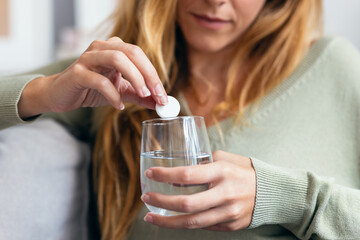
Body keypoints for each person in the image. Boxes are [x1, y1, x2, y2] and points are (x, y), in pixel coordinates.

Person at [1, 0, 360, 239]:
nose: (217, 1)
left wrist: (291, 199)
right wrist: (45, 93)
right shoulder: (116, 78)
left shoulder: (333, 69)